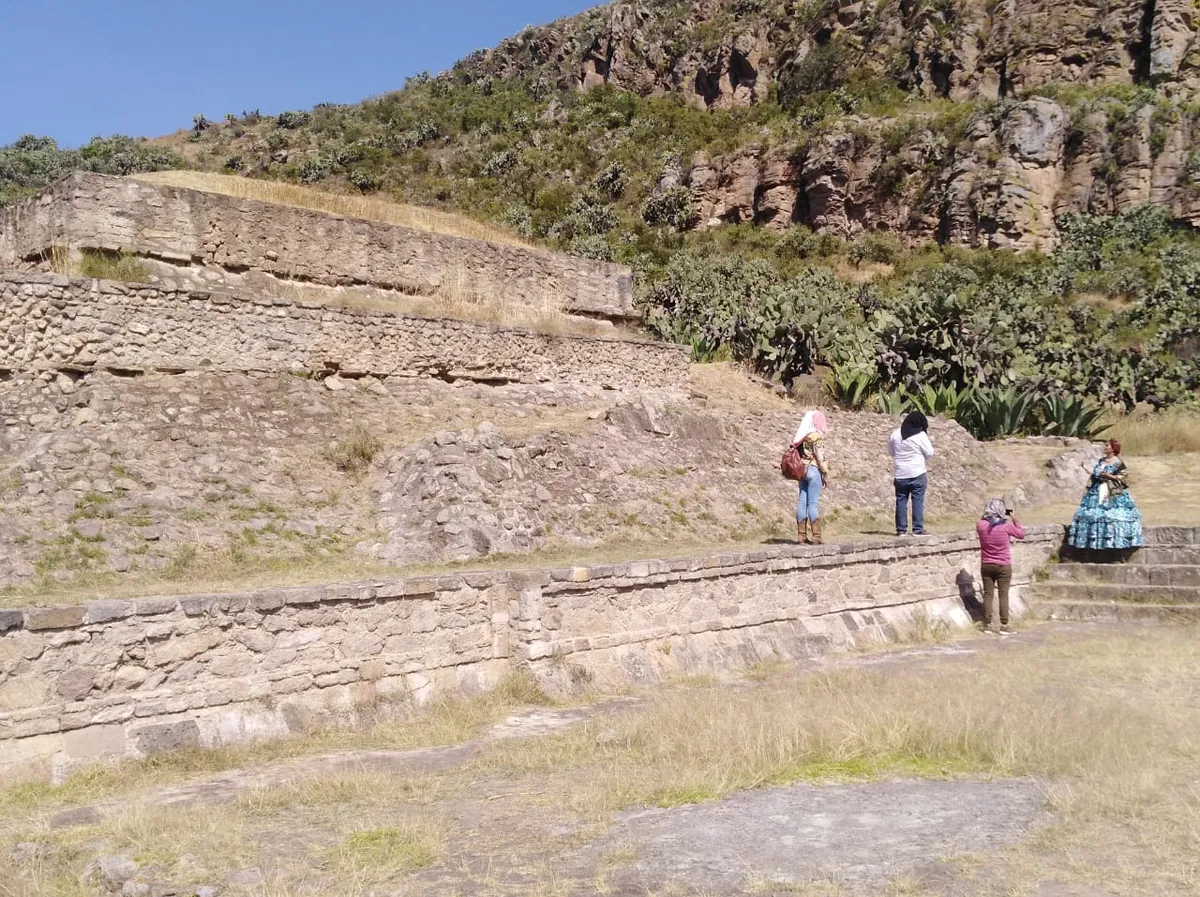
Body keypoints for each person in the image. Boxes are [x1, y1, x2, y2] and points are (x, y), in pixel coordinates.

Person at [1068, 439, 1144, 550]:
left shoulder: (1118, 462)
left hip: (1112, 491)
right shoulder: (1101, 461)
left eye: (1107, 446)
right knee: (1091, 514)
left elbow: (1122, 477)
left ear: (1113, 448)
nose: (1105, 447)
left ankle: (1115, 543)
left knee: (1112, 515)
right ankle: (1093, 543)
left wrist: (1109, 476)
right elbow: (1095, 475)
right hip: (1096, 490)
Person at [976, 498, 1025, 635]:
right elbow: (1021, 534)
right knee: (1003, 594)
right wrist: (1015, 519)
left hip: (986, 564)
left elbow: (984, 522)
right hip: (1003, 564)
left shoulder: (980, 525)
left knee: (988, 594)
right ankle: (1004, 625)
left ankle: (987, 624)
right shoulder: (1006, 526)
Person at [888, 411, 935, 536]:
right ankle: (917, 529)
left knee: (901, 501)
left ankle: (901, 529)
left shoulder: (895, 434)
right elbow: (930, 452)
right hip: (917, 472)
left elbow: (891, 452)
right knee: (917, 500)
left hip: (900, 473)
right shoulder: (920, 435)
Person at [792, 410, 831, 545]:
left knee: (802, 502)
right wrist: (825, 474)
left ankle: (801, 536)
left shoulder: (802, 435)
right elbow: (820, 458)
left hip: (802, 470)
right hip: (814, 470)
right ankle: (816, 536)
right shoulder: (816, 437)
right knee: (813, 503)